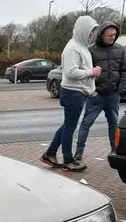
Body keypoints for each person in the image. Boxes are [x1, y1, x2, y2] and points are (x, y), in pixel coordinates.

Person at [40, 15, 101, 172]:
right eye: (90, 31)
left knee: (68, 125)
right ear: (82, 30)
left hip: (78, 93)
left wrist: (91, 88)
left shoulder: (81, 47)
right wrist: (91, 72)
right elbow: (71, 71)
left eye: (93, 32)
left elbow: (80, 72)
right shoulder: (72, 48)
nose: (91, 35)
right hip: (72, 93)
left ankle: (50, 154)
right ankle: (68, 160)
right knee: (69, 127)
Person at [74, 22, 126, 161]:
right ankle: (79, 152)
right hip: (96, 95)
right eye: (110, 35)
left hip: (113, 95)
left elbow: (124, 70)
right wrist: (91, 90)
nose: (112, 37)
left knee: (114, 124)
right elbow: (85, 71)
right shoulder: (91, 50)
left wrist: (119, 90)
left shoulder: (120, 49)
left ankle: (115, 150)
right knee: (86, 123)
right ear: (102, 34)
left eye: (114, 35)